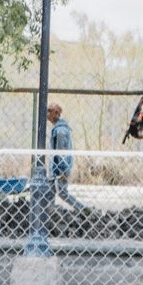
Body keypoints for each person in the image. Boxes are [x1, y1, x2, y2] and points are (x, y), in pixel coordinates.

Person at [27, 101, 88, 256]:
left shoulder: (60, 131)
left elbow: (61, 153)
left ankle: (84, 210)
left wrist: (62, 171)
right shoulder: (59, 129)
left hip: (59, 171)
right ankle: (49, 219)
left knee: (62, 193)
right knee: (51, 194)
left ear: (55, 113)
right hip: (57, 170)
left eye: (49, 112)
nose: (46, 115)